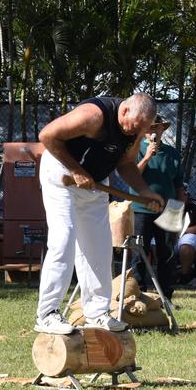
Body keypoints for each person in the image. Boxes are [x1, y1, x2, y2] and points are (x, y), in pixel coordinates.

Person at [33, 93, 164, 335]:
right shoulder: (94, 116)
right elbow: (47, 136)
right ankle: (47, 313)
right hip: (62, 175)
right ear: (124, 111)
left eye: (142, 129)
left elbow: (125, 164)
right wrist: (75, 169)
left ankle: (97, 313)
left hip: (94, 182)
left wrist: (145, 191)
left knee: (99, 247)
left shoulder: (135, 129)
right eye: (134, 127)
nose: (134, 133)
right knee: (64, 239)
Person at [132, 113, 184, 295]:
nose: (153, 130)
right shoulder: (135, 149)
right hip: (141, 209)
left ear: (162, 128)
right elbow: (131, 176)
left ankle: (165, 294)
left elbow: (179, 185)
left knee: (167, 253)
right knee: (140, 252)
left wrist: (179, 211)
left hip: (169, 209)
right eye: (149, 127)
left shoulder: (173, 154)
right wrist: (146, 157)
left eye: (156, 126)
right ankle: (138, 292)